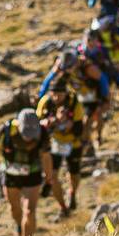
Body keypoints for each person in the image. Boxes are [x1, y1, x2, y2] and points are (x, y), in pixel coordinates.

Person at [0, 109, 58, 236]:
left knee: (30, 211)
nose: (29, 138)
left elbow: (47, 157)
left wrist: (48, 180)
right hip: (11, 175)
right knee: (14, 208)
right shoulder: (6, 130)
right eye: (25, 134)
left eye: (32, 135)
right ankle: (19, 227)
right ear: (19, 126)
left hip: (32, 175)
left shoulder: (43, 133)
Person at [36, 80, 88, 215]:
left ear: (65, 93)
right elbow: (37, 125)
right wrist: (50, 122)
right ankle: (63, 207)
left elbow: (79, 128)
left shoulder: (74, 102)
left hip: (73, 143)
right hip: (55, 143)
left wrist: (69, 125)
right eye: (54, 94)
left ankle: (72, 193)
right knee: (52, 176)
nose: (57, 98)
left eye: (60, 94)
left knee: (74, 173)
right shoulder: (45, 102)